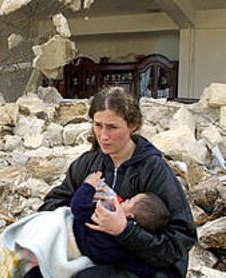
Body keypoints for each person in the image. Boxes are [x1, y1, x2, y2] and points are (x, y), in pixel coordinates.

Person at [37, 87, 197, 277]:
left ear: (133, 126)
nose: (103, 136)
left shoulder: (154, 169)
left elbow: (179, 242)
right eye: (98, 125)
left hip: (145, 267)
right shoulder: (88, 164)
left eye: (112, 127)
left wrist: (124, 230)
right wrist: (84, 216)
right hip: (95, 253)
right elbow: (51, 205)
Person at [71, 171, 170, 277]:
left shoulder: (106, 216)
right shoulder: (132, 243)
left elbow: (78, 206)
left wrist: (88, 187)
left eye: (130, 201)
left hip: (79, 240)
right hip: (101, 260)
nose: (126, 200)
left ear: (129, 216)